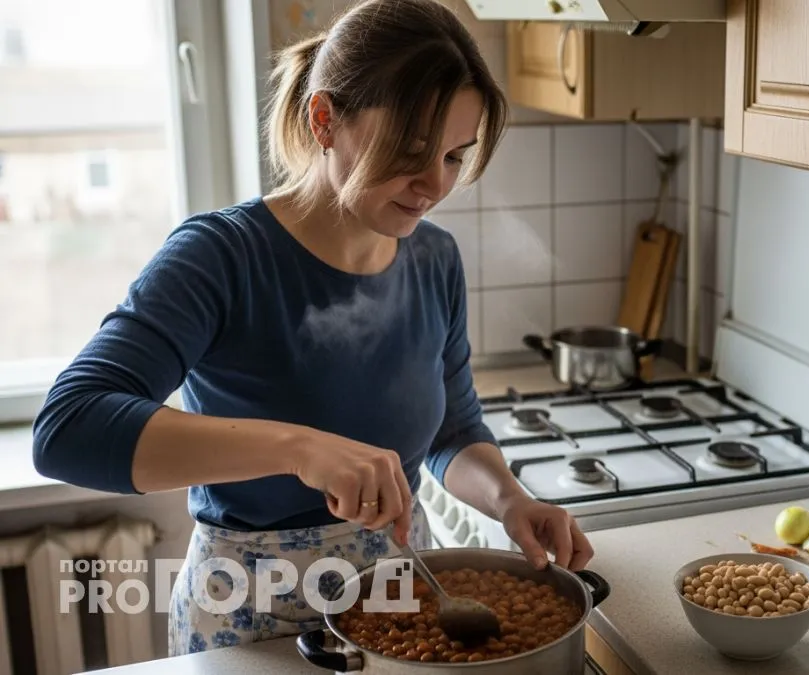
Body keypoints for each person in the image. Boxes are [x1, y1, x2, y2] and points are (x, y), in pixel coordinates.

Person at [31, 0, 593, 656]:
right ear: (324, 119)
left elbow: (453, 429)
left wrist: (508, 500)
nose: (433, 184)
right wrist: (300, 449)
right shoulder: (221, 256)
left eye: (452, 156)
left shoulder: (434, 258)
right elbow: (68, 428)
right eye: (411, 150)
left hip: (397, 604)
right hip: (248, 618)